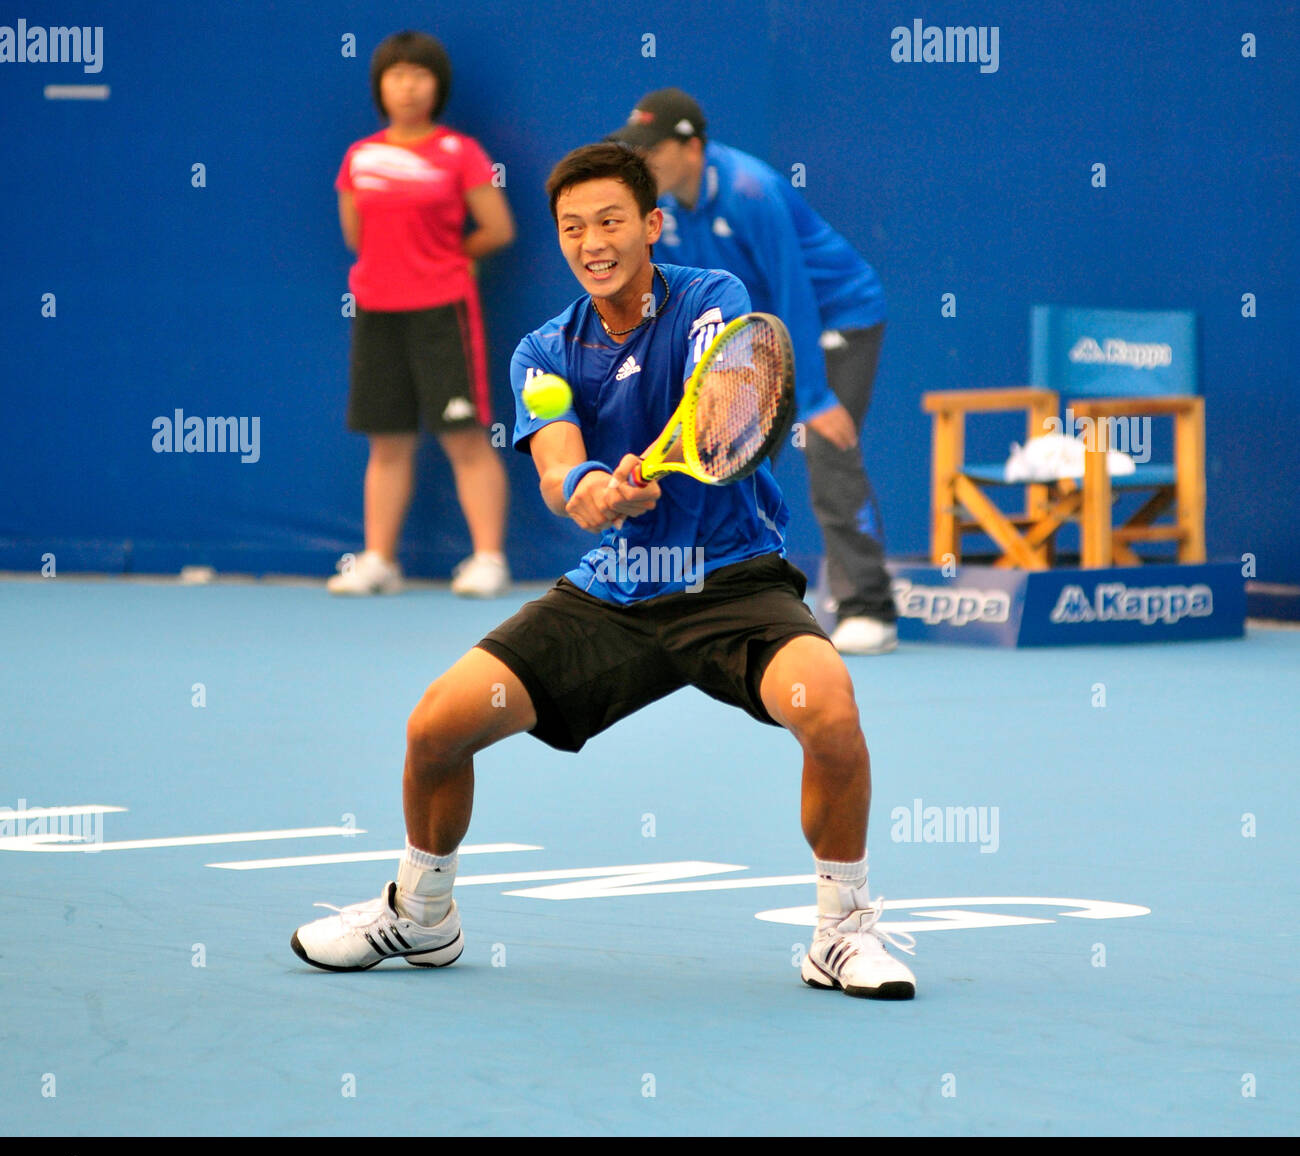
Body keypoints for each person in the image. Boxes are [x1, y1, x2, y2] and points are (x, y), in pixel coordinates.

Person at [292, 142, 916, 1001]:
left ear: (652, 225)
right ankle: (424, 912)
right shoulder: (543, 352)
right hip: (614, 592)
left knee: (832, 712)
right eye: (573, 227)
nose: (593, 241)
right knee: (436, 727)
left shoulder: (712, 298)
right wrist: (586, 487)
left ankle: (841, 933)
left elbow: (720, 393)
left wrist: (666, 456)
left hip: (731, 582)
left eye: (612, 221)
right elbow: (555, 463)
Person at [609, 89, 898, 653]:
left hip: (838, 316)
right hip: (758, 327)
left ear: (692, 146)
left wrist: (813, 399)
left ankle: (870, 608)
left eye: (652, 151)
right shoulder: (660, 212)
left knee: (829, 450)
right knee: (730, 455)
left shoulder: (750, 190)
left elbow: (795, 293)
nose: (640, 164)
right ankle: (734, 593)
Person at [328, 30, 514, 597]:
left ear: (438, 87)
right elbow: (356, 234)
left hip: (443, 309)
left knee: (463, 436)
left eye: (420, 75)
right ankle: (379, 559)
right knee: (386, 440)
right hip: (378, 309)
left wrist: (445, 259)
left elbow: (498, 228)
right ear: (380, 86)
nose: (407, 86)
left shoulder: (460, 152)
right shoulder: (359, 156)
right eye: (396, 74)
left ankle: (488, 559)